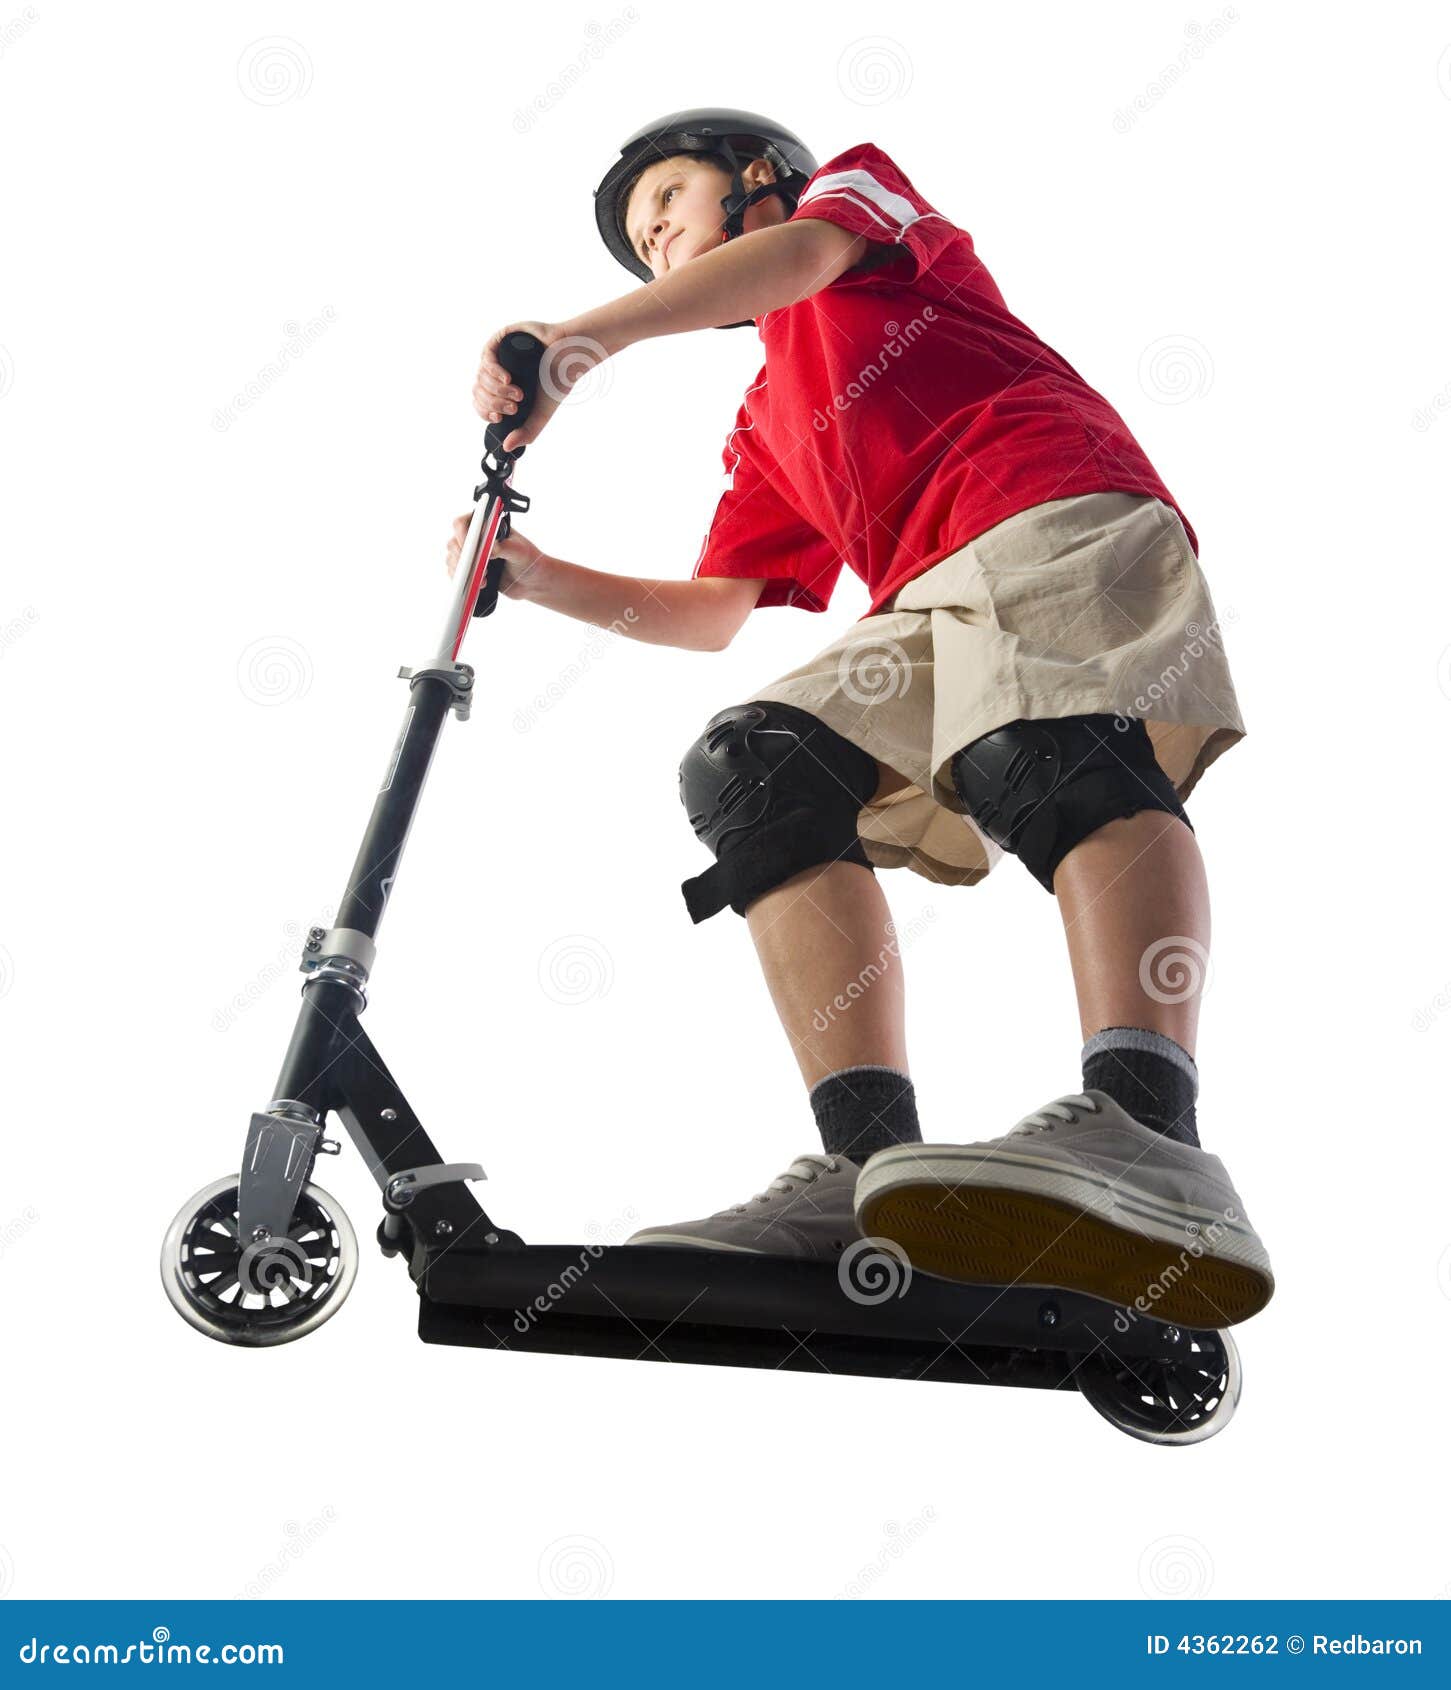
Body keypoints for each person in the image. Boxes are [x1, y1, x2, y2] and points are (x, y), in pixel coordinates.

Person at [447, 109, 1273, 1329]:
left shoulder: (854, 202)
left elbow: (801, 258)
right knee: (754, 770)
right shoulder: (768, 413)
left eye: (667, 201)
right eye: (639, 239)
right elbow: (715, 612)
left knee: (1036, 752)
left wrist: (580, 341)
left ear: (756, 179)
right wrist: (526, 573)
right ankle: (863, 1171)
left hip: (1044, 499)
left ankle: (1152, 1131)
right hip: (926, 604)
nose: (659, 237)